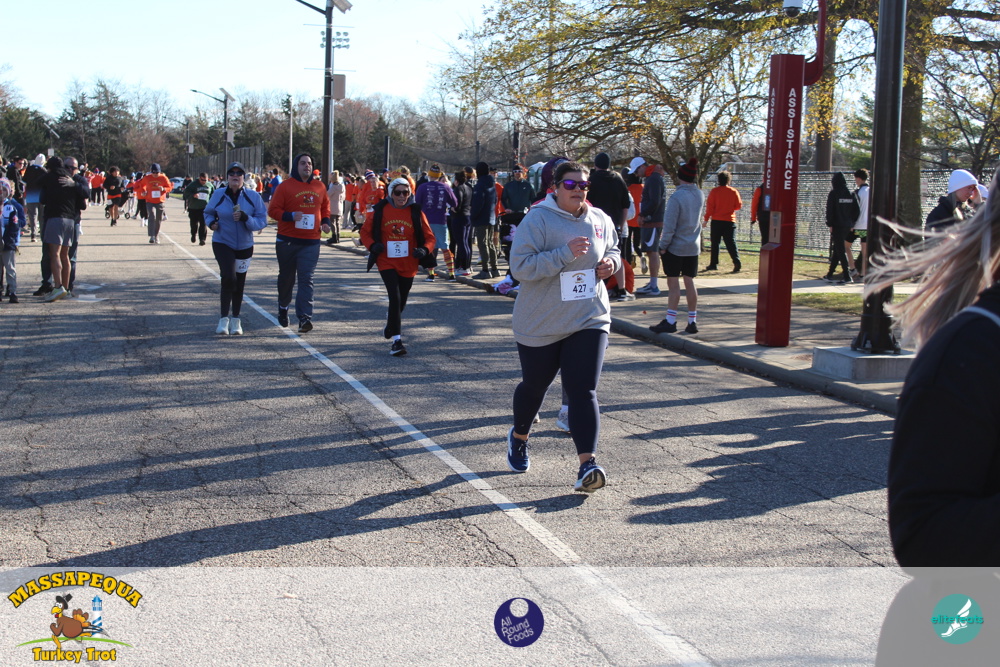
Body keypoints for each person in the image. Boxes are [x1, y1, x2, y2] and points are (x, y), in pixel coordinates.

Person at [507, 160, 621, 492]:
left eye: (583, 185)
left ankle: (588, 465)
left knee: (583, 389)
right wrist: (563, 254)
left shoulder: (599, 219)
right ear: (555, 188)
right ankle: (519, 437)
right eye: (570, 184)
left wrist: (611, 264)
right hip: (541, 320)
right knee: (535, 386)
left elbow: (614, 248)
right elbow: (520, 268)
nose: (578, 190)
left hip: (589, 316)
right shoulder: (538, 219)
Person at [361, 177, 436, 356]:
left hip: (408, 263)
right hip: (386, 261)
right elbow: (365, 232)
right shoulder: (380, 210)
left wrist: (424, 250)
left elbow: (430, 237)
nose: (402, 196)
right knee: (394, 298)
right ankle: (397, 342)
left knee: (401, 300)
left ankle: (391, 323)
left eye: (405, 192)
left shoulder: (416, 212)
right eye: (398, 192)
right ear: (391, 193)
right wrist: (372, 245)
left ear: (410, 194)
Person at [267, 153, 332, 333]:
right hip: (287, 241)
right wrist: (290, 216)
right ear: (296, 166)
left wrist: (326, 222)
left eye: (309, 163)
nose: (307, 166)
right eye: (303, 163)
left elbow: (325, 207)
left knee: (306, 278)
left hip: (311, 242)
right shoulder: (285, 186)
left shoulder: (319, 186)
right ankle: (283, 306)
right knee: (287, 278)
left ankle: (304, 318)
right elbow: (273, 210)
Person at [204, 163, 268, 335]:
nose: (235, 176)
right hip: (223, 242)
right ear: (227, 177)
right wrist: (212, 223)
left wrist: (247, 218)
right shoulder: (219, 194)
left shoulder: (252, 196)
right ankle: (223, 319)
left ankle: (236, 320)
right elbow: (208, 212)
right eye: (232, 173)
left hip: (245, 245)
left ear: (243, 178)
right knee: (228, 277)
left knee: (239, 282)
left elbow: (262, 220)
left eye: (239, 173)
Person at [650, 157, 704, 334]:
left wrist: (663, 245)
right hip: (692, 245)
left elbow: (670, 226)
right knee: (690, 281)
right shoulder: (700, 194)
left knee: (673, 284)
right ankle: (692, 320)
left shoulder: (677, 197)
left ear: (681, 177)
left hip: (676, 246)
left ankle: (671, 320)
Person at [38, 156, 88, 302]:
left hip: (55, 218)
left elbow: (41, 197)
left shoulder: (52, 178)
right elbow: (83, 203)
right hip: (70, 220)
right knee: (65, 256)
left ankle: (58, 287)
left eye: (74, 168)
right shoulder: (73, 180)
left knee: (54, 254)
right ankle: (65, 288)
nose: (71, 170)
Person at [587, 152, 633, 298]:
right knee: (615, 256)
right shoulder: (618, 179)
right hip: (614, 224)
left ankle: (594, 288)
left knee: (594, 256)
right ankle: (621, 288)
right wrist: (621, 225)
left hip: (594, 224)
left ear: (595, 164)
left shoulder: (592, 180)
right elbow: (625, 205)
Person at [414, 165, 457, 281]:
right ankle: (451, 274)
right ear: (439, 175)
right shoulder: (445, 187)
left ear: (429, 175)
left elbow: (417, 203)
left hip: (426, 221)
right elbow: (454, 202)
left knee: (430, 247)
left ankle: (431, 274)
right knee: (445, 247)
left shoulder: (422, 187)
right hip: (441, 220)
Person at [634, 158, 667, 296]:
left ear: (642, 166)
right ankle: (652, 284)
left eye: (636, 171)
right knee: (650, 251)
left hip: (652, 221)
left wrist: (643, 214)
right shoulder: (653, 177)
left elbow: (655, 201)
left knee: (652, 251)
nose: (636, 174)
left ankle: (654, 286)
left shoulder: (653, 178)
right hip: (652, 220)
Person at [822, 172, 860, 284]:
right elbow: (857, 210)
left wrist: (830, 224)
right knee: (837, 249)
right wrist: (852, 222)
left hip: (837, 225)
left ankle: (847, 276)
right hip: (847, 226)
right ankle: (830, 274)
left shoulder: (833, 194)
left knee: (840, 250)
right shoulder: (851, 193)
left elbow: (830, 210)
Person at [702, 170, 742, 273]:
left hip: (717, 220)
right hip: (730, 220)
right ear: (728, 180)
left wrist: (706, 219)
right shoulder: (733, 191)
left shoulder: (714, 192)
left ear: (719, 180)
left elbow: (710, 208)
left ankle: (714, 264)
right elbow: (738, 206)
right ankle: (736, 261)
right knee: (731, 242)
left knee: (715, 243)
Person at [471, 161, 499, 279]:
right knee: (490, 243)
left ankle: (485, 270)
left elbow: (477, 203)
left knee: (483, 244)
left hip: (481, 218)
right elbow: (495, 200)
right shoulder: (492, 184)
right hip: (491, 216)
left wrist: (473, 216)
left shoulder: (480, 185)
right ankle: (495, 268)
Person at [1, 177, 26, 302]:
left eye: (4, 190)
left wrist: (10, 240)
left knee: (10, 268)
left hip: (7, 243)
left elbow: (14, 226)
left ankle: (12, 291)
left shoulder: (11, 208)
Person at [136, 164, 174, 242]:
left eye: (157, 173)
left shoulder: (163, 178)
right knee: (151, 216)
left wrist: (163, 189)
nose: (155, 174)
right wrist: (144, 191)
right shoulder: (147, 178)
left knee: (158, 218)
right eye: (154, 172)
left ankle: (156, 235)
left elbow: (169, 187)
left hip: (160, 201)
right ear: (151, 172)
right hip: (149, 200)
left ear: (160, 172)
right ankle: (152, 236)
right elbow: (142, 185)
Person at [449, 170, 473, 276]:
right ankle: (467, 266)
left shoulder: (458, 189)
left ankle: (463, 267)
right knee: (466, 243)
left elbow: (457, 205)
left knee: (461, 243)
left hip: (459, 217)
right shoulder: (469, 188)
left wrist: (452, 208)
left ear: (456, 180)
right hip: (468, 216)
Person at [847, 168, 870, 278]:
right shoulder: (872, 191)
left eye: (856, 179)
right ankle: (864, 273)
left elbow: (854, 210)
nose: (855, 181)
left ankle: (852, 268)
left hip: (857, 225)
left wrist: (851, 224)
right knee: (864, 250)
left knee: (846, 246)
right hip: (867, 226)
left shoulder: (857, 193)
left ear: (859, 179)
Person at [183, 173, 214, 245]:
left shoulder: (209, 185)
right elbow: (186, 193)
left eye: (206, 180)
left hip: (204, 208)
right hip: (193, 207)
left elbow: (213, 194)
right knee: (194, 224)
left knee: (203, 224)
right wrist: (193, 195)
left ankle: (202, 239)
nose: (204, 182)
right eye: (203, 180)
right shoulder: (193, 184)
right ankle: (193, 234)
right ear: (200, 178)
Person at [23, 155, 46, 242]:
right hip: (42, 196)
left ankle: (33, 234)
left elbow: (24, 181)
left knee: (32, 216)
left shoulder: (29, 169)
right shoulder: (44, 171)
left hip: (30, 196)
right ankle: (42, 234)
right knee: (42, 216)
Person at [325, 171, 345, 246]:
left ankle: (334, 236)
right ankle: (338, 236)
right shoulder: (341, 186)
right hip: (340, 205)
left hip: (333, 206)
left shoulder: (334, 187)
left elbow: (327, 194)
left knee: (332, 222)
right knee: (338, 222)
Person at [749, 180, 770, 245]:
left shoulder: (760, 188)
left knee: (765, 238)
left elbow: (754, 204)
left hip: (763, 217)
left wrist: (753, 218)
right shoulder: (777, 187)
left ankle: (764, 250)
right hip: (776, 217)